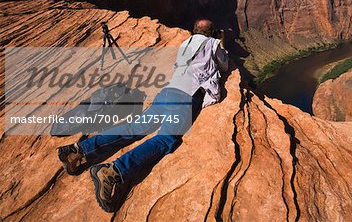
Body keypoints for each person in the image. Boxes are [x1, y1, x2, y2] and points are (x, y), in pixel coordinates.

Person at [57, 19, 228, 212]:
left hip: (168, 92)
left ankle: (79, 150)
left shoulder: (185, 44)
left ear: (194, 30)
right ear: (211, 32)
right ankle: (114, 171)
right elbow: (224, 66)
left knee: (135, 127)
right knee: (166, 139)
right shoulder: (212, 44)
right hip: (186, 96)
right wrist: (220, 42)